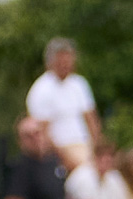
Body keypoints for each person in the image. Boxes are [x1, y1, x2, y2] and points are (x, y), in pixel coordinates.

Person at [26, 38, 100, 171]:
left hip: (85, 146)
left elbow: (91, 120)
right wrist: (65, 158)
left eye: (68, 59)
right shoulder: (41, 89)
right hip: (61, 149)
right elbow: (43, 133)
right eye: (61, 60)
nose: (66, 64)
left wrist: (98, 148)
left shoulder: (79, 84)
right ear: (51, 62)